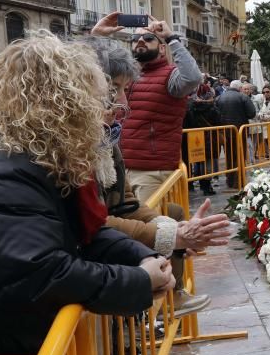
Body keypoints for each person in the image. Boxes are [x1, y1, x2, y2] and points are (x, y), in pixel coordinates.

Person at [0, 31, 173, 355]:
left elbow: (84, 234)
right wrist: (137, 281)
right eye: (97, 99)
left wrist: (143, 258)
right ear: (62, 104)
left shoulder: (41, 157)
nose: (110, 108)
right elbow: (38, 275)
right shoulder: (5, 169)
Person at [86, 39, 232, 316]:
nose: (123, 102)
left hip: (154, 164)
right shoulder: (68, 149)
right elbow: (95, 223)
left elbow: (126, 206)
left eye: (124, 90)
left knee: (169, 215)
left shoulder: (106, 140)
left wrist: (175, 234)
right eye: (114, 90)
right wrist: (173, 236)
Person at [91, 12, 202, 204]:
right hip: (117, 165)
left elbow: (193, 78)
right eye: (136, 38)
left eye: (148, 38)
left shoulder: (171, 76)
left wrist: (171, 38)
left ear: (161, 48)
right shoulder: (123, 75)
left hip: (151, 171)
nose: (140, 41)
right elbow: (85, 69)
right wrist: (97, 36)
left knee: (149, 227)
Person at [215, 80, 256, 188]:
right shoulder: (243, 97)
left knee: (229, 155)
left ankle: (230, 179)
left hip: (225, 131)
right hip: (239, 130)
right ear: (239, 88)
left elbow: (215, 113)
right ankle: (239, 180)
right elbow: (252, 113)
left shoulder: (219, 97)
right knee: (240, 155)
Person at [187, 74, 220, 196]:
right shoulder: (211, 107)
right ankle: (206, 187)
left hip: (191, 137)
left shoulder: (188, 105)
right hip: (207, 137)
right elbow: (218, 119)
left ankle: (190, 184)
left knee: (194, 160)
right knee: (207, 161)